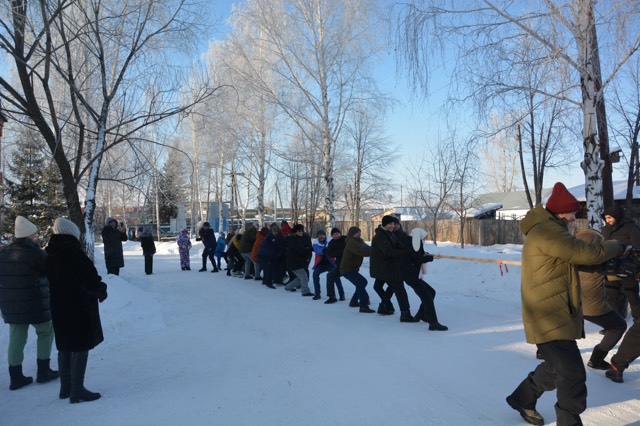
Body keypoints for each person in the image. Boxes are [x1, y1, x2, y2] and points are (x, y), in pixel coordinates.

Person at [506, 182, 624, 426]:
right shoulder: (548, 231)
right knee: (572, 375)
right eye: (572, 212)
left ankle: (522, 398)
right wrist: (617, 246)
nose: (574, 217)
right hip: (548, 313)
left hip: (552, 311)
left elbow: (570, 261)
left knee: (556, 367)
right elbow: (584, 253)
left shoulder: (547, 230)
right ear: (561, 212)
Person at [46, 217, 107, 403]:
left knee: (64, 345)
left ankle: (65, 388)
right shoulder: (73, 253)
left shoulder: (50, 253)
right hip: (78, 306)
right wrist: (100, 290)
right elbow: (89, 278)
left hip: (59, 305)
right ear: (71, 233)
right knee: (81, 345)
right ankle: (77, 390)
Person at [0, 216, 59, 390]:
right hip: (35, 302)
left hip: (12, 304)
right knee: (46, 332)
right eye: (33, 234)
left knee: (17, 337)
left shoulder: (3, 253)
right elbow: (49, 271)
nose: (35, 236)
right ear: (27, 235)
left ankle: (15, 376)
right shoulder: (35, 252)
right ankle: (43, 371)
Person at [573, 229, 627, 370]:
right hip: (593, 306)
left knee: (564, 323)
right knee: (618, 326)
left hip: (570, 302)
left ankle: (542, 351)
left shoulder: (569, 254)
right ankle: (596, 360)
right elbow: (614, 278)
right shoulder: (601, 257)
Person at [370, 215, 417, 322]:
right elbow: (389, 252)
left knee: (389, 287)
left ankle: (384, 306)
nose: (392, 226)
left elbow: (397, 245)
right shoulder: (380, 236)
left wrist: (413, 244)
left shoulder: (388, 233)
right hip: (385, 268)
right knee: (399, 289)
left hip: (388, 267)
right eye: (390, 224)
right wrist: (406, 252)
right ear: (384, 224)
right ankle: (405, 314)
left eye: (394, 224)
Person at [402, 228, 448, 331]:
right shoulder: (415, 242)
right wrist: (432, 257)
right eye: (424, 237)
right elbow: (417, 258)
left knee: (431, 292)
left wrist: (427, 255)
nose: (424, 239)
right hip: (412, 276)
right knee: (427, 297)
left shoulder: (411, 241)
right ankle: (433, 323)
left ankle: (420, 315)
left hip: (411, 275)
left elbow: (416, 255)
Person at [601, 205, 640, 321]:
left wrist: (637, 268)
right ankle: (615, 323)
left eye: (609, 217)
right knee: (612, 296)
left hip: (628, 267)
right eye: (606, 218)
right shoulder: (605, 230)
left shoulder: (631, 228)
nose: (607, 220)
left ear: (616, 216)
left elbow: (638, 247)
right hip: (610, 268)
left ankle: (638, 321)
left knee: (632, 296)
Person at [340, 226, 374, 313]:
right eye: (357, 232)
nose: (359, 233)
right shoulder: (351, 242)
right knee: (360, 283)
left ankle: (354, 301)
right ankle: (364, 305)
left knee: (363, 282)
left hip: (353, 269)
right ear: (352, 234)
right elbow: (361, 252)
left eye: (359, 232)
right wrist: (375, 252)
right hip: (347, 269)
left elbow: (367, 248)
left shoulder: (359, 241)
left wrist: (376, 248)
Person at [284, 224, 314, 296]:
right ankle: (305, 291)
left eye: (302, 231)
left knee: (300, 278)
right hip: (294, 263)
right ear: (295, 232)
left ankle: (288, 287)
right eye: (299, 231)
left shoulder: (299, 238)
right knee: (304, 276)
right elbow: (300, 250)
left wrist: (308, 248)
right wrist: (308, 249)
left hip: (298, 262)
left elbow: (307, 246)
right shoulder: (294, 239)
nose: (301, 232)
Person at [323, 227, 346, 304]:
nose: (336, 235)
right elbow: (331, 254)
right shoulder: (332, 243)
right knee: (330, 276)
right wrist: (341, 252)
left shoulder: (345, 239)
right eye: (334, 234)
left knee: (358, 281)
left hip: (349, 264)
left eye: (337, 233)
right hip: (339, 264)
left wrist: (340, 252)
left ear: (340, 233)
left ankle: (342, 294)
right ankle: (332, 296)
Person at [311, 229, 333, 300]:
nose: (321, 236)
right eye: (319, 235)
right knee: (315, 275)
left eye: (322, 235)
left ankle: (341, 294)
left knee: (335, 276)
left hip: (330, 263)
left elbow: (332, 248)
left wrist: (327, 249)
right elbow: (317, 251)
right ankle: (317, 293)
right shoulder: (315, 243)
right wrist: (324, 250)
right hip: (320, 264)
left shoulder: (330, 241)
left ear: (325, 235)